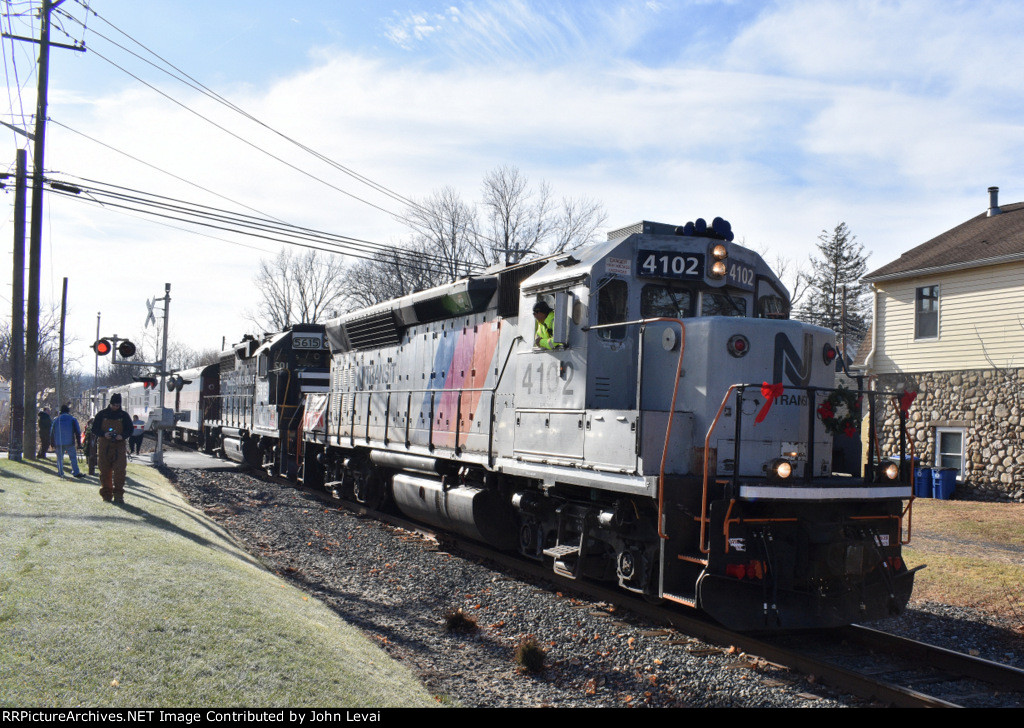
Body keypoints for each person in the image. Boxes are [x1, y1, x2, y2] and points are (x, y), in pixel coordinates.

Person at [91, 393, 134, 503]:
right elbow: (94, 429)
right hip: (104, 446)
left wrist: (122, 436)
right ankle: (106, 495)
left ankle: (119, 495)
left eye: (118, 405)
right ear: (110, 403)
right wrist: (103, 434)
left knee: (120, 471)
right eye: (114, 405)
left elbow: (130, 429)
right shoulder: (101, 414)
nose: (116, 407)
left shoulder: (124, 416)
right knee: (104, 471)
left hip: (119, 446)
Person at [50, 405, 84, 479]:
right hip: (70, 441)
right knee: (73, 458)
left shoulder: (56, 420)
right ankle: (76, 472)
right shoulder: (72, 419)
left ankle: (60, 472)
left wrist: (52, 443)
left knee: (59, 458)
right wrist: (79, 444)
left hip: (58, 442)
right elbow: (77, 432)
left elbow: (51, 432)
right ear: (68, 411)